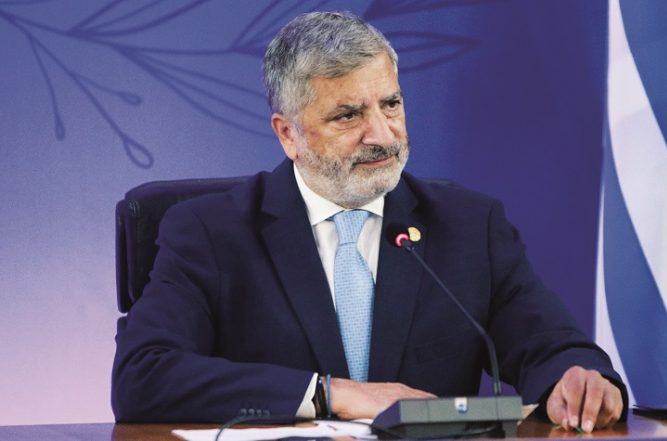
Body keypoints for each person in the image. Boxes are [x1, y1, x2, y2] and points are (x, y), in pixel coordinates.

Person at [112, 11, 626, 433]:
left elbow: (550, 345)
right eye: (348, 115)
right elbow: (142, 376)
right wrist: (329, 394)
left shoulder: (469, 227)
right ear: (288, 134)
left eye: (391, 104)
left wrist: (576, 380)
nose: (383, 135)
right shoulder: (210, 231)